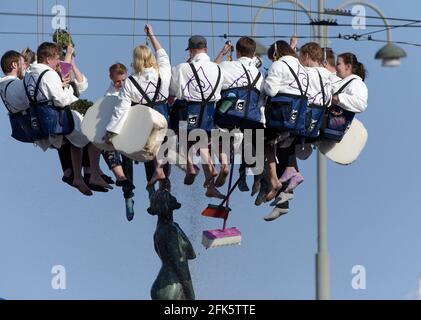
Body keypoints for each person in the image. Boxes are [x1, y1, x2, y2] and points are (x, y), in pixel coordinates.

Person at [24, 42, 111, 196]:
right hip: (57, 117)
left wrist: (62, 83)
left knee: (77, 138)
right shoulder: (48, 73)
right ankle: (93, 173)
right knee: (96, 130)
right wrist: (66, 87)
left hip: (42, 119)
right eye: (57, 58)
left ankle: (80, 176)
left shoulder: (30, 73)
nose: (58, 61)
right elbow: (61, 100)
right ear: (48, 58)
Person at [105, 24, 171, 195]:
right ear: (151, 57)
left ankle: (145, 183)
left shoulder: (130, 82)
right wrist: (152, 35)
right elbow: (162, 55)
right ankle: (164, 184)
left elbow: (121, 109)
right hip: (163, 117)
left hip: (143, 123)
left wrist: (111, 132)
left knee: (148, 149)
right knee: (164, 145)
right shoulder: (163, 73)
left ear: (135, 61)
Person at [169, 35, 225, 199]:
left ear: (191, 51)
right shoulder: (218, 68)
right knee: (202, 141)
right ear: (206, 49)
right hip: (208, 112)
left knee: (181, 135)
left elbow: (172, 92)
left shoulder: (181, 68)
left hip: (187, 111)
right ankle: (210, 185)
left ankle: (190, 166)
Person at [214, 36, 264, 190]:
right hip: (251, 118)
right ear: (253, 53)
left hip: (228, 115)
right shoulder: (259, 74)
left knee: (215, 127)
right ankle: (251, 172)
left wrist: (223, 53)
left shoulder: (226, 66)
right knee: (250, 133)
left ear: (238, 52)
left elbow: (209, 73)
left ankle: (224, 163)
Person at [263, 40, 309, 201]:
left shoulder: (278, 65)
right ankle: (285, 172)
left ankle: (272, 180)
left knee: (261, 140)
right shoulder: (302, 69)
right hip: (297, 119)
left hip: (281, 116)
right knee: (276, 142)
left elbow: (270, 89)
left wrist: (263, 82)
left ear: (276, 54)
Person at [148, 189, 196, 300]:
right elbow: (180, 264)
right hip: (170, 285)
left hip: (167, 284)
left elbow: (190, 254)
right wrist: (191, 294)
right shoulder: (170, 230)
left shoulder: (167, 228)